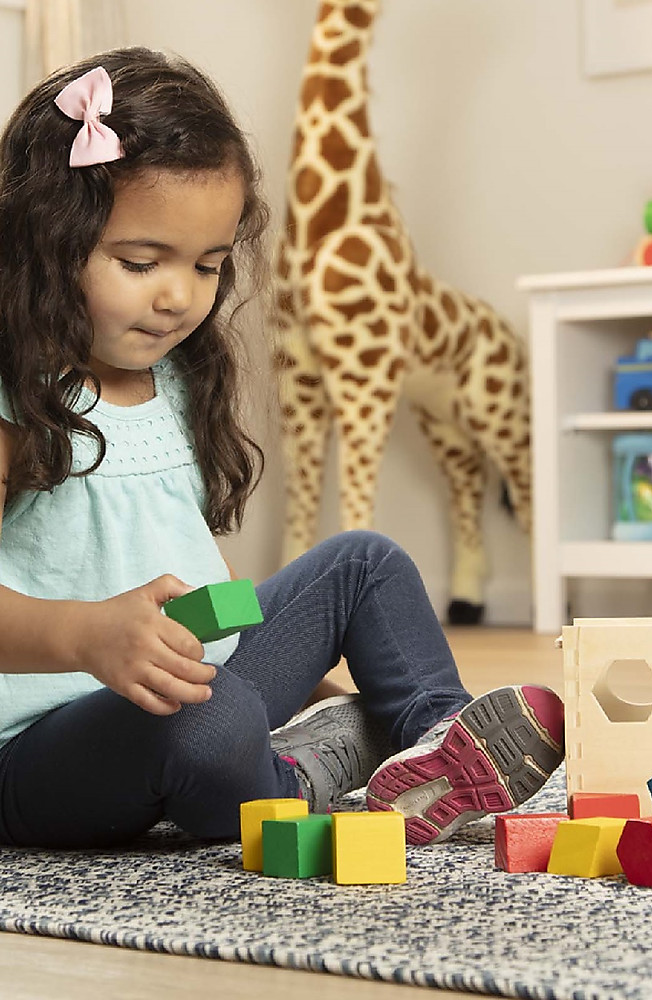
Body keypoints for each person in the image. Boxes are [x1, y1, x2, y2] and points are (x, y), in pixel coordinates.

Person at [0, 47, 564, 852]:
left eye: (207, 265)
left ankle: (437, 746)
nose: (178, 297)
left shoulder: (173, 381)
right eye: (139, 263)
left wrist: (304, 679)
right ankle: (294, 782)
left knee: (363, 562)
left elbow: (198, 584)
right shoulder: (17, 399)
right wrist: (84, 636)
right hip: (37, 749)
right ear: (44, 244)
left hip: (185, 685)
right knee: (212, 717)